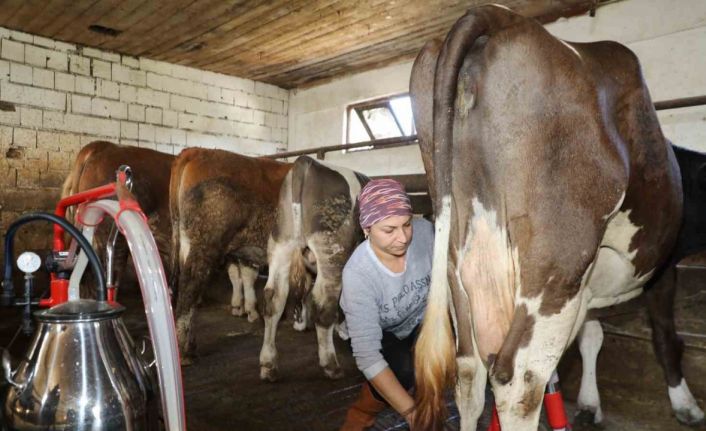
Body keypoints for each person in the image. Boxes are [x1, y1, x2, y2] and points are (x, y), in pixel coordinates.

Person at [339, 178, 434, 430]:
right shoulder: (358, 274)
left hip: (419, 318)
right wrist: (412, 415)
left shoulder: (425, 233)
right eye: (389, 230)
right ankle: (359, 416)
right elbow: (368, 357)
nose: (402, 237)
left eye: (406, 224)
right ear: (367, 228)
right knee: (402, 369)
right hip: (384, 331)